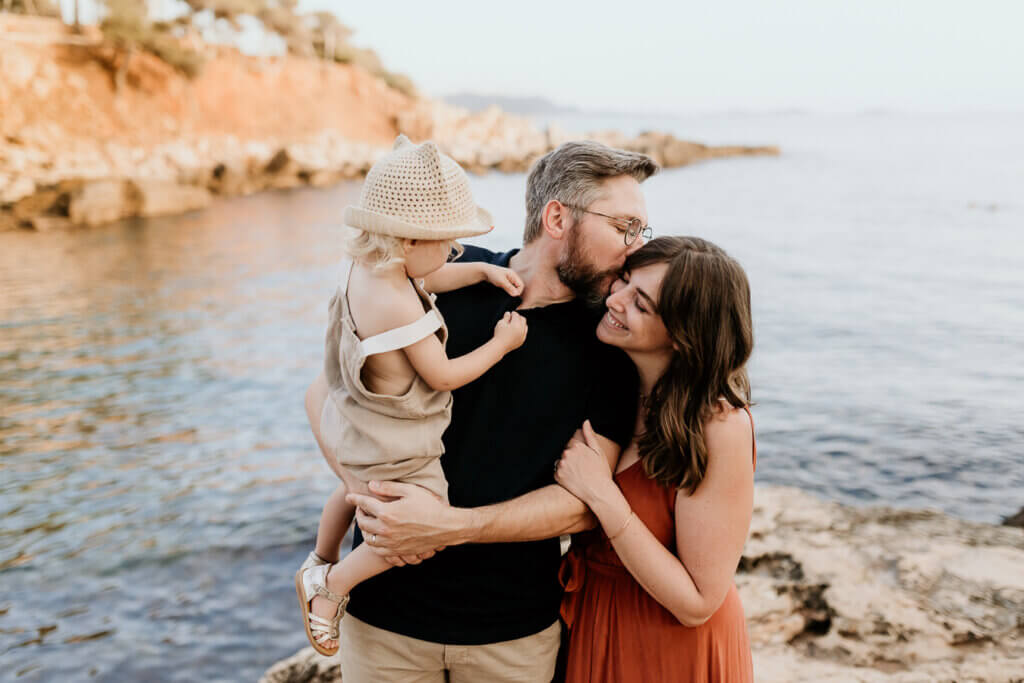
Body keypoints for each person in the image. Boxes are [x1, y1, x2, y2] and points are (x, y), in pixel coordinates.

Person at [304, 140, 659, 682]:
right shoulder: (436, 274)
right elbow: (325, 396)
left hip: (513, 636)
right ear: (558, 217)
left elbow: (582, 505)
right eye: (624, 227)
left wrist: (447, 526)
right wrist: (373, 500)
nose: (634, 249)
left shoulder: (610, 345)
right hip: (383, 625)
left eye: (640, 232)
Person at [295, 135, 530, 656]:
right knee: (423, 523)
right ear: (407, 241)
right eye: (446, 242)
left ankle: (319, 556)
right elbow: (443, 374)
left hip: (354, 414)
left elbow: (434, 275)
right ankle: (332, 586)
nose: (454, 251)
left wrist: (483, 269)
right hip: (396, 439)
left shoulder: (369, 266)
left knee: (352, 492)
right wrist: (502, 344)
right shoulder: (401, 308)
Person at [555, 235, 756, 682]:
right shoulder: (612, 387)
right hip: (592, 621)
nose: (615, 299)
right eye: (624, 281)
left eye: (641, 304)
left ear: (685, 337)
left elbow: (697, 603)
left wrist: (602, 495)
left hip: (670, 646)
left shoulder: (718, 428)